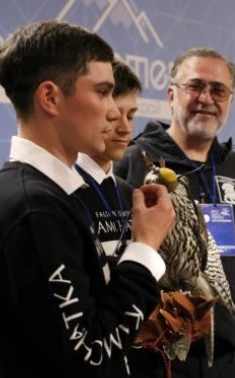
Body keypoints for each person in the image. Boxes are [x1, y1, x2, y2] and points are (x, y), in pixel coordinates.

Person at [0, 21, 174, 378]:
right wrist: (145, 249)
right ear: (50, 97)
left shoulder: (50, 197)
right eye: (102, 92)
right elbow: (91, 353)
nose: (114, 112)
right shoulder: (33, 210)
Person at [115, 47, 235, 378]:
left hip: (225, 357)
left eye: (218, 90)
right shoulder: (135, 162)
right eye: (195, 86)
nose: (206, 99)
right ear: (171, 94)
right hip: (158, 358)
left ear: (230, 100)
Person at [74, 59, 142, 265]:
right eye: (114, 116)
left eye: (130, 116)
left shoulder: (131, 195)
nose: (125, 128)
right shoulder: (63, 191)